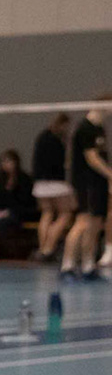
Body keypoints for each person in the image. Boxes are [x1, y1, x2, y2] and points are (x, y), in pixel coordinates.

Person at [61, 99, 109, 283]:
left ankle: (88, 266)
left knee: (95, 224)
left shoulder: (99, 129)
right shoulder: (85, 128)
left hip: (99, 183)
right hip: (85, 183)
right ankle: (67, 266)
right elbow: (92, 158)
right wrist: (111, 174)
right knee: (82, 222)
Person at [31, 113, 74, 262]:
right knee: (65, 214)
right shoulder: (58, 140)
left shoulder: (42, 137)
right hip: (56, 182)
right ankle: (49, 247)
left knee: (47, 213)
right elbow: (65, 161)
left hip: (40, 183)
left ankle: (42, 248)